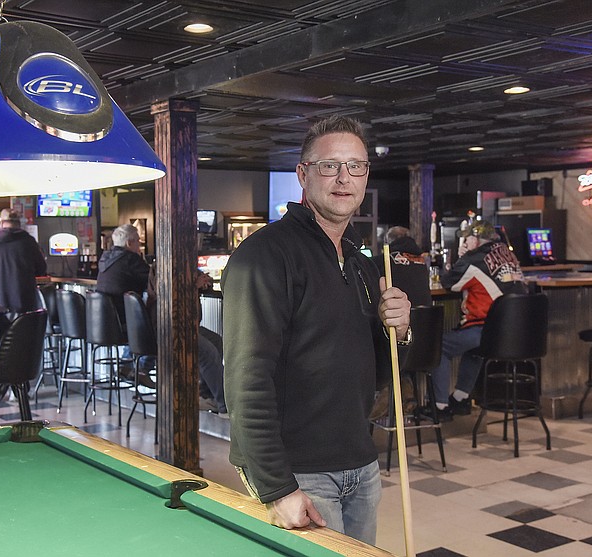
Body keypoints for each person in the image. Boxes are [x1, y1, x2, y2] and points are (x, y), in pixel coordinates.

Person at [221, 115, 411, 545]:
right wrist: (277, 487)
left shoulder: (362, 263)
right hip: (299, 474)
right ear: (303, 175)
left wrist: (395, 330)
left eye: (356, 166)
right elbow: (246, 380)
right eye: (330, 166)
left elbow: (378, 375)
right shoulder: (264, 256)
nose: (344, 178)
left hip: (361, 465)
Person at [430, 219, 527, 419]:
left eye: (468, 238)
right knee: (473, 350)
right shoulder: (508, 254)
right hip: (516, 333)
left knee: (438, 345)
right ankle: (460, 399)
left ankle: (439, 408)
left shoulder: (475, 259)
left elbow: (449, 282)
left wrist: (461, 258)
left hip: (486, 332)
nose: (465, 242)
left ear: (476, 239)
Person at [146, 265, 227, 416]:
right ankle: (224, 405)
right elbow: (165, 295)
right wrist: (193, 286)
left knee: (216, 341)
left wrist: (204, 280)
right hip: (168, 327)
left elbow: (202, 277)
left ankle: (206, 395)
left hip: (186, 325)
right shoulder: (164, 265)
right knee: (208, 352)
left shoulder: (184, 261)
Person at [369, 226, 432, 419]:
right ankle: (405, 391)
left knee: (377, 336)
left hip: (400, 344)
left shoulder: (384, 260)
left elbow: (366, 272)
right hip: (427, 344)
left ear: (389, 242)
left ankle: (389, 391)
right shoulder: (422, 260)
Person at [0, 208, 47, 320]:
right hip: (24, 303)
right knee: (23, 335)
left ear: (0, 223)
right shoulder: (29, 241)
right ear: (19, 223)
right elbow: (41, 269)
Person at [95, 223, 150, 325]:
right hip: (125, 320)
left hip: (102, 321)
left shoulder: (105, 258)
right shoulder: (130, 259)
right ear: (129, 243)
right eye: (138, 241)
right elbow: (153, 280)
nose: (140, 244)